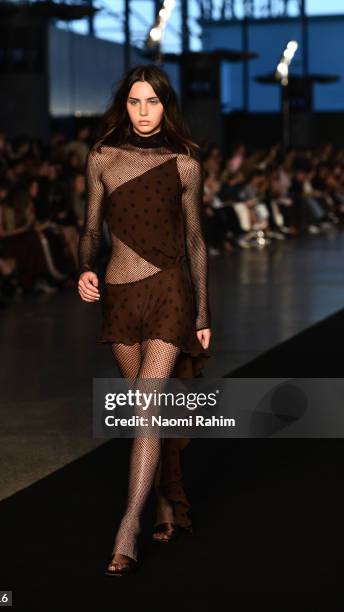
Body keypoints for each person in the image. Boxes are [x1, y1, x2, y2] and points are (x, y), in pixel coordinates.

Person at [77, 64, 212, 576]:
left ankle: (127, 526)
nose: (142, 112)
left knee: (149, 409)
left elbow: (197, 239)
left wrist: (202, 311)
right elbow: (90, 227)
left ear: (165, 105)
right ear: (124, 104)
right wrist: (83, 267)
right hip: (119, 295)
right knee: (142, 415)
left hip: (169, 291)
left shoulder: (184, 163)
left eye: (151, 102)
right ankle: (160, 501)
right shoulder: (103, 159)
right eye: (134, 102)